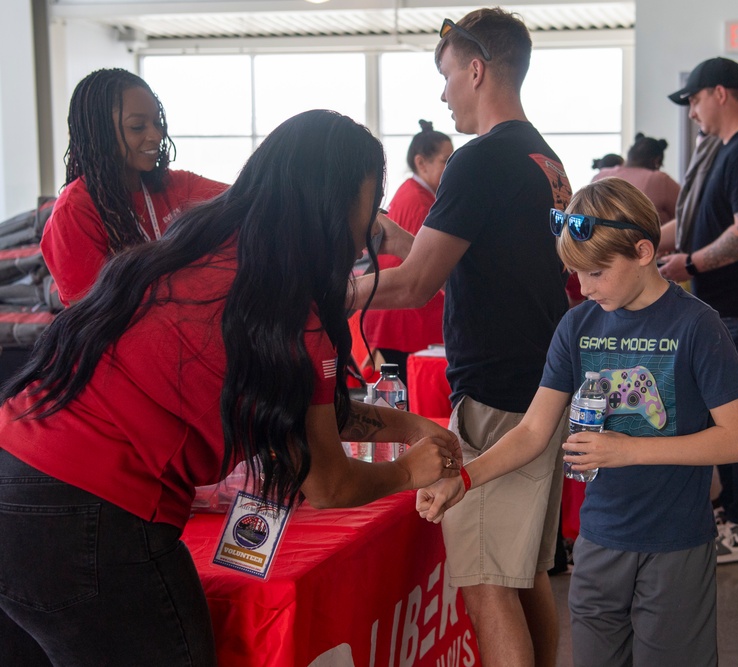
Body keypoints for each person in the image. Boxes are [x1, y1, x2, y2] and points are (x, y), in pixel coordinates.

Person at [0, 110, 462, 666]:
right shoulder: (292, 307)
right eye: (372, 201)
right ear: (336, 203)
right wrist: (409, 471)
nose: (373, 222)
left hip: (16, 471)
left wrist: (412, 425)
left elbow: (307, 411)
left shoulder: (202, 248)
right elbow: (329, 486)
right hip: (94, 514)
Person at [416, 177, 738, 667]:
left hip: (675, 543)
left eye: (597, 272)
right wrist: (462, 481)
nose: (584, 288)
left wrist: (629, 450)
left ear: (644, 251)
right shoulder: (578, 326)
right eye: (574, 274)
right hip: (598, 543)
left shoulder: (696, 325)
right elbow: (533, 431)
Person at [349, 9, 573, 666]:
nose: (444, 93)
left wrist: (330, 293)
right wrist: (403, 241)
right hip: (540, 380)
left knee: (483, 581)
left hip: (498, 392)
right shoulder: (543, 158)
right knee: (522, 569)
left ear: (476, 70)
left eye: (448, 75)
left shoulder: (479, 161)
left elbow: (416, 285)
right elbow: (484, 267)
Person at [660, 56, 738, 563]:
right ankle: (732, 515)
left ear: (719, 93)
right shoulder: (724, 151)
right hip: (729, 308)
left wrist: (688, 263)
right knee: (730, 419)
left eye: (693, 100)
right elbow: (697, 224)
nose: (692, 112)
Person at [40, 68, 228, 306]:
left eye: (157, 122)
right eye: (138, 127)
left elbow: (247, 197)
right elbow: (93, 319)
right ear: (100, 133)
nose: (156, 135)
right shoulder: (74, 212)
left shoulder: (178, 185)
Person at [362, 120, 453, 384]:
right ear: (421, 163)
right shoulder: (418, 202)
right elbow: (429, 266)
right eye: (445, 161)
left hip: (396, 315)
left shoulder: (416, 195)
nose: (451, 169)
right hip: (401, 319)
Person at [592, 133, 680, 223]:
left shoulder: (600, 176)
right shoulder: (660, 180)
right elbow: (686, 212)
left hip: (600, 236)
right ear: (656, 161)